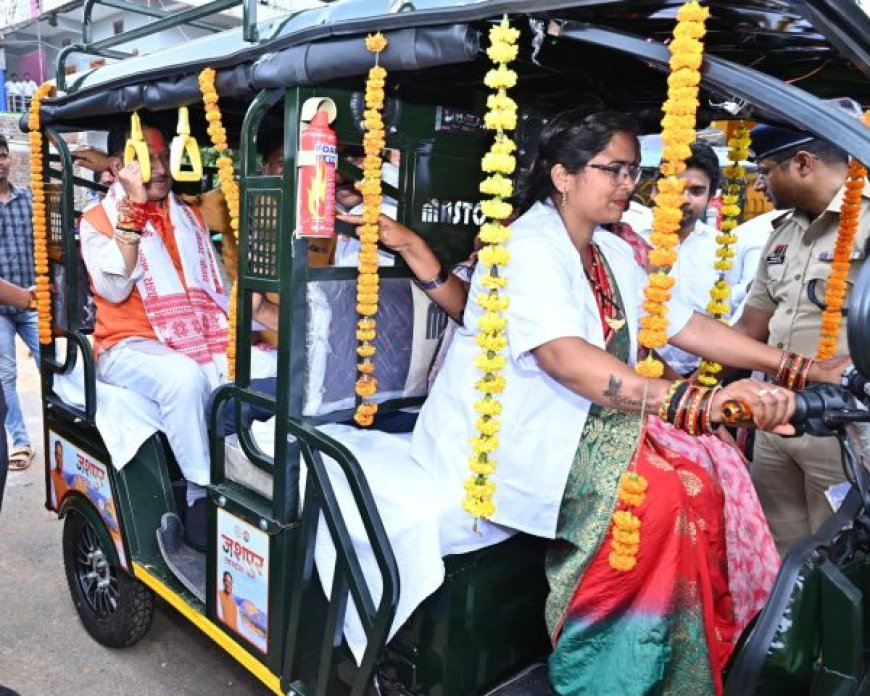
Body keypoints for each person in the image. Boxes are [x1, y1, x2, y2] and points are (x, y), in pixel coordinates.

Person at [400, 109, 846, 694]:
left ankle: (681, 667)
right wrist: (702, 404)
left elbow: (680, 324)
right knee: (660, 500)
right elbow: (565, 359)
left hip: (592, 420)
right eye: (614, 170)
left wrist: (801, 368)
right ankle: (607, 677)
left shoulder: (609, 251)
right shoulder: (526, 248)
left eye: (634, 171)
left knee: (710, 471)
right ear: (563, 176)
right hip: (520, 435)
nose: (628, 185)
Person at [78, 123, 276, 550]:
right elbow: (114, 288)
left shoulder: (186, 214)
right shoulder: (96, 221)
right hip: (127, 346)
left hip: (200, 334)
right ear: (118, 166)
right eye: (147, 158)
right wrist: (131, 206)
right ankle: (201, 492)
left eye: (164, 156)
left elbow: (217, 291)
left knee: (273, 366)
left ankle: (261, 479)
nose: (161, 168)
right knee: (184, 379)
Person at [733, 123, 870, 555]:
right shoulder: (780, 233)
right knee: (779, 557)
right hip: (777, 419)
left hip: (847, 426)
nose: (759, 182)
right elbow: (752, 327)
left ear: (803, 164)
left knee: (842, 560)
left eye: (766, 169)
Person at [647, 141, 764, 375]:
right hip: (638, 370)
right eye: (676, 188)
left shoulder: (724, 247)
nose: (684, 199)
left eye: (696, 191)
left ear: (712, 196)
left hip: (704, 375)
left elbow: (728, 307)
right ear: (656, 190)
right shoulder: (629, 239)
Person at [0, 134, 41, 474]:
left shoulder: (28, 200)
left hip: (32, 303)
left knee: (57, 363)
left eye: (2, 155)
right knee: (5, 375)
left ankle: (73, 428)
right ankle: (20, 441)